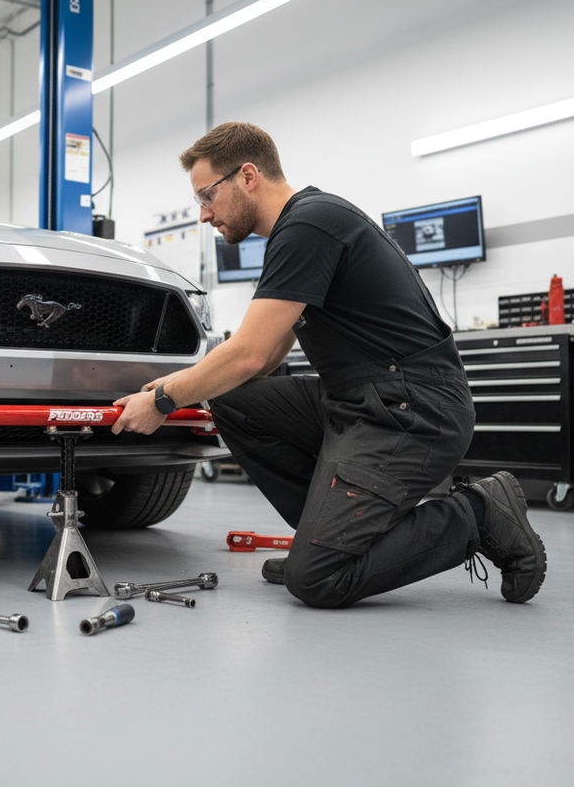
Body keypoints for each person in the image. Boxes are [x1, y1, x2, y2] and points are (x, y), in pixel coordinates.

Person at [111, 122, 546, 609]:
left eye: (208, 195)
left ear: (248, 176)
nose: (205, 214)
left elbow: (250, 353)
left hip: (415, 410)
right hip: (364, 398)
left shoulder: (308, 226)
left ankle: (478, 512)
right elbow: (270, 351)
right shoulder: (299, 228)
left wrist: (164, 400)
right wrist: (182, 380)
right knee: (233, 401)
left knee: (316, 580)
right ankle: (330, 537)